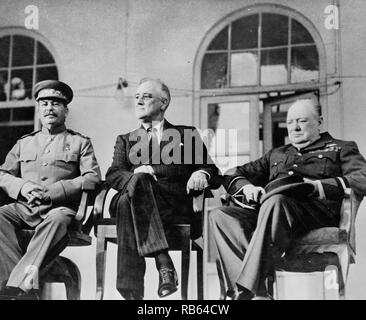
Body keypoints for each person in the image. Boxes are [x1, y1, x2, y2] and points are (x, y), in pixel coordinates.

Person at [210, 97, 366, 300]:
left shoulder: (341, 148)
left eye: (302, 121)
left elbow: (362, 178)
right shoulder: (277, 154)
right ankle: (260, 293)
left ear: (319, 121)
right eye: (291, 122)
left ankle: (248, 292)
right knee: (220, 215)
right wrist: (247, 187)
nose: (295, 127)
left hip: (313, 213)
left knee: (276, 201)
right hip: (272, 216)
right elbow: (232, 173)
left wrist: (317, 187)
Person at [106, 78, 219, 300]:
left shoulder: (186, 135)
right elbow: (113, 174)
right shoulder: (126, 139)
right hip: (138, 203)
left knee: (124, 203)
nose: (138, 101)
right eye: (136, 96)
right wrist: (138, 175)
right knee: (136, 184)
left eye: (146, 96)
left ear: (164, 103)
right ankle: (164, 262)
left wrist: (200, 173)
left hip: (172, 205)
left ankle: (131, 295)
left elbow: (211, 170)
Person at [0, 80, 101, 299]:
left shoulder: (79, 143)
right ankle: (15, 283)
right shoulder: (24, 143)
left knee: (57, 218)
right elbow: (3, 174)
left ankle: (16, 287)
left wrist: (54, 191)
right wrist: (23, 187)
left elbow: (93, 177)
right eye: (44, 103)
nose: (49, 108)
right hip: (24, 209)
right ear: (38, 109)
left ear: (66, 110)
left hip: (60, 210)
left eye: (55, 103)